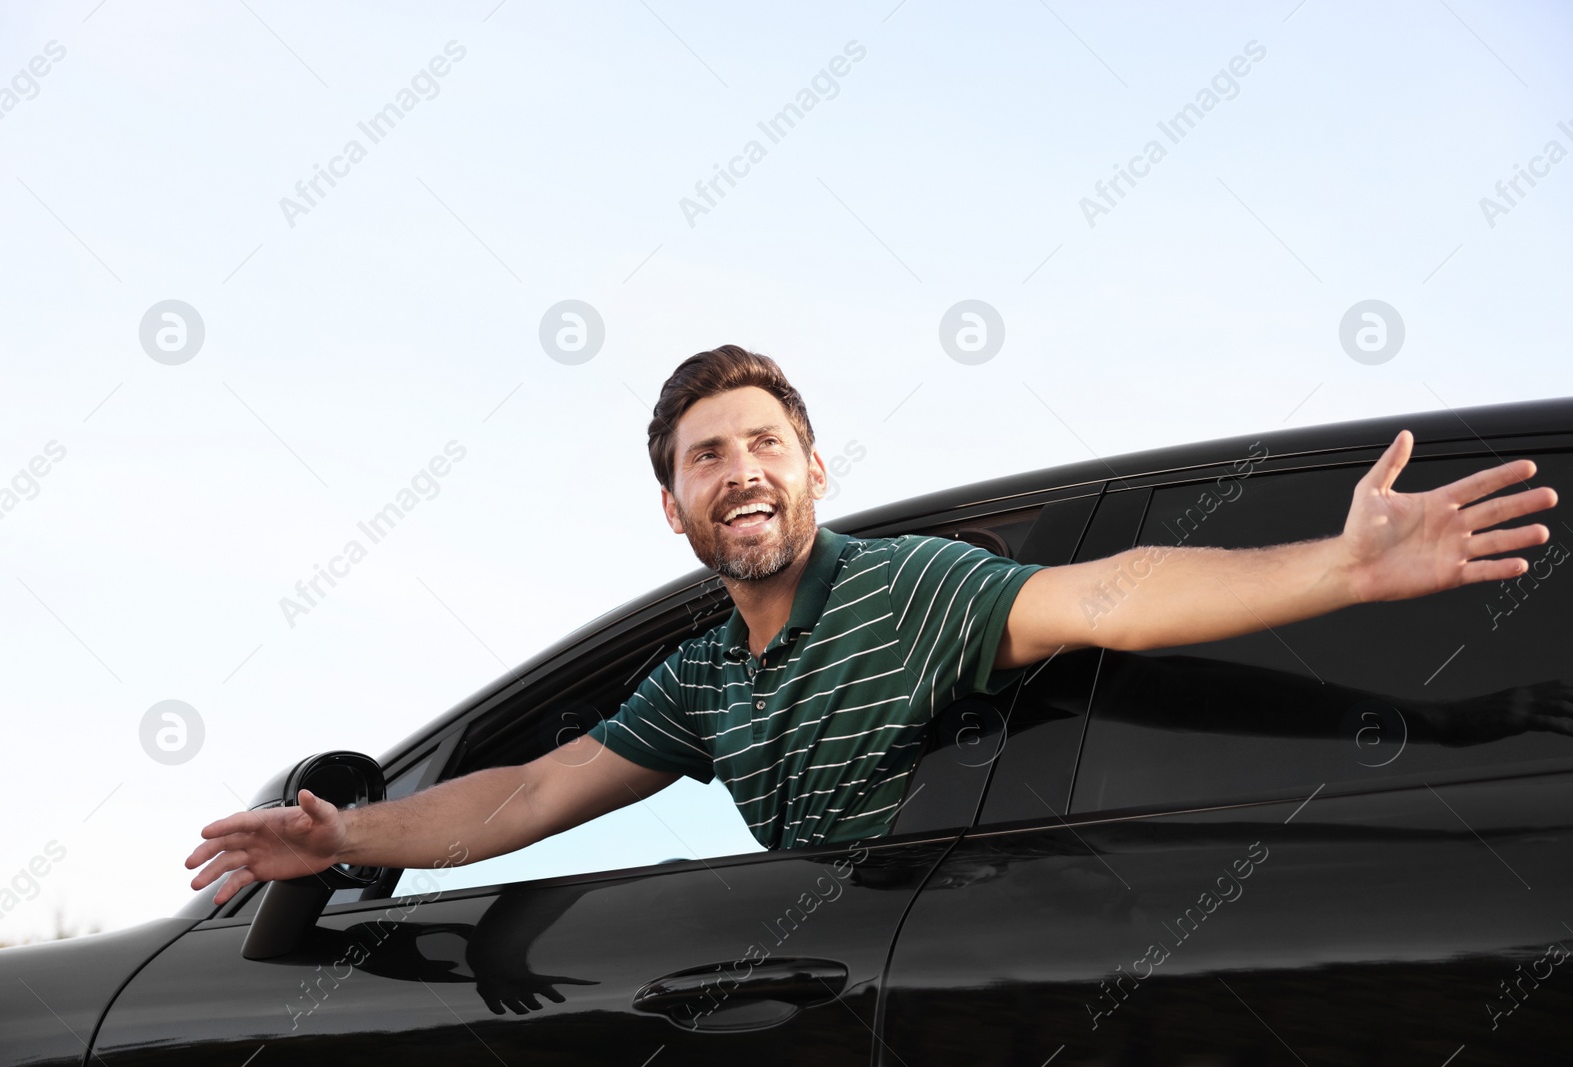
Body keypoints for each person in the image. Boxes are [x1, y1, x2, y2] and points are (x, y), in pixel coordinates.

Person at [186, 344, 1558, 905]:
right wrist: (346, 836)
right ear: (673, 508)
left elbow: (1107, 595)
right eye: (708, 456)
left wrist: (1340, 567)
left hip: (972, 946)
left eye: (765, 444)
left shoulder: (905, 587)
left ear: (815, 470)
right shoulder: (704, 682)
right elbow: (534, 787)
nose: (742, 471)